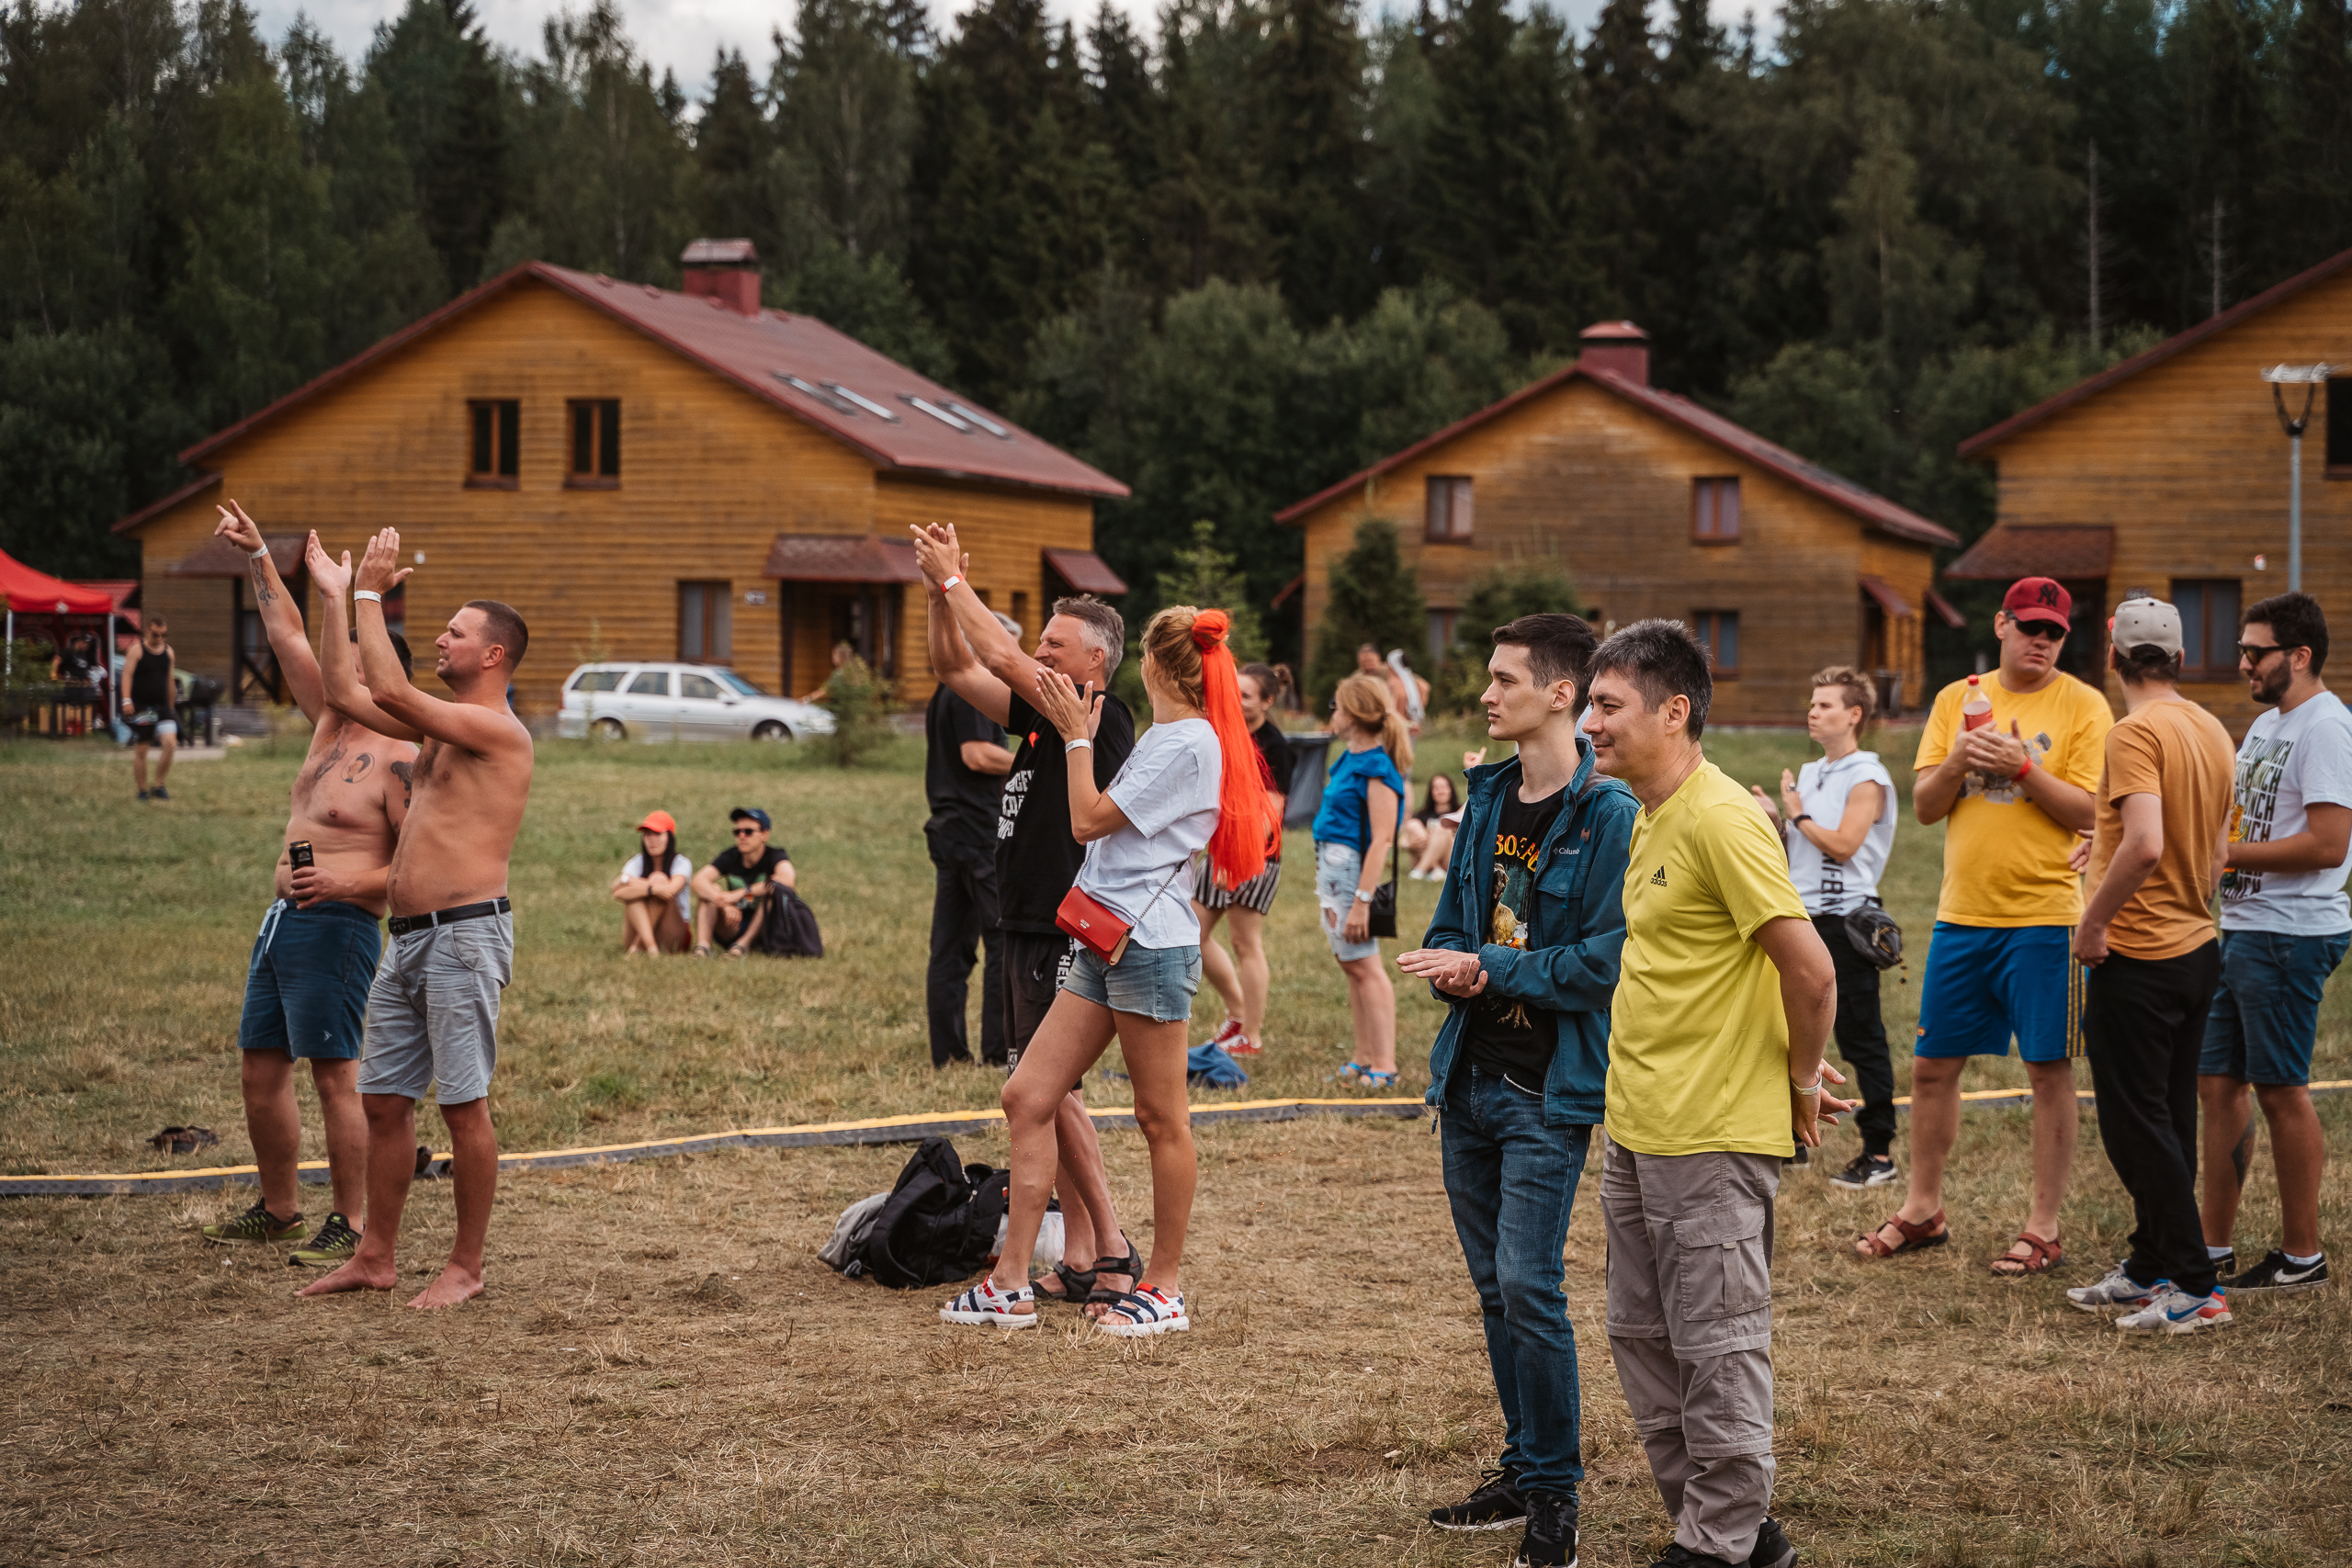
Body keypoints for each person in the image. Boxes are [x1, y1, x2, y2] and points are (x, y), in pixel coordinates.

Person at [1582, 619, 1844, 1568]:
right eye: (1592, 704)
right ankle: (1735, 1527)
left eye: (1608, 705)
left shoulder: (1723, 816)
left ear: (1674, 709)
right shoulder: (1653, 815)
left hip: (1709, 1139)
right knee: (1641, 1337)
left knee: (1716, 1345)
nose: (1591, 723)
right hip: (1640, 1128)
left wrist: (1801, 1078)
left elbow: (1810, 972)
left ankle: (1718, 1542)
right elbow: (1723, 971)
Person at [940, 604, 1269, 1335]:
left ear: (1151, 665)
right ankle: (1010, 1285)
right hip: (1102, 940)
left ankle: (1164, 1285)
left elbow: (1086, 818)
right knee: (1028, 1093)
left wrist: (1077, 738)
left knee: (1160, 1117)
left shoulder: (1190, 746)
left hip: (1149, 947)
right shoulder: (1167, 737)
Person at [1395, 615, 1638, 1568]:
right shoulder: (1489, 797)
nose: (1487, 695)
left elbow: (1605, 963)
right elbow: (1456, 919)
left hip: (1547, 1091)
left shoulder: (1609, 814)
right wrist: (1456, 967)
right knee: (1496, 1292)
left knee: (1532, 1289)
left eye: (1504, 680)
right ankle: (1522, 1466)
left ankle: (1555, 1499)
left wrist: (1489, 967)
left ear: (1560, 694)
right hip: (1468, 1081)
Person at [299, 525, 534, 1310]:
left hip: (465, 935)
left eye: (457, 632)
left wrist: (373, 591)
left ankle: (466, 1266)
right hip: (407, 941)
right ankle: (376, 1256)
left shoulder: (497, 731)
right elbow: (346, 691)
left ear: (493, 655)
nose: (440, 635)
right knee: (385, 1101)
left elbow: (392, 692)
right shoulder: (441, 725)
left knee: (463, 1105)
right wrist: (336, 598)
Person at [911, 520, 1140, 1312]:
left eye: (1055, 643)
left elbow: (1002, 655)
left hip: (1058, 925)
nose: (1040, 652)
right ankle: (1085, 1253)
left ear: (1095, 660)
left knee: (1044, 1092)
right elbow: (953, 665)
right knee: (1051, 1093)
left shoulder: (1100, 714)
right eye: (1040, 642)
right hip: (1024, 922)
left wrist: (953, 581)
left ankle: (1107, 1247)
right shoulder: (1045, 717)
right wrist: (937, 598)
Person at [1860, 577, 2111, 1276]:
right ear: (2001, 624)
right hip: (1962, 914)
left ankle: (2043, 1225)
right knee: (1934, 1067)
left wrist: (2023, 766)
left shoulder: (2085, 705)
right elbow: (1928, 806)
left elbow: (2092, 812)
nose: (2041, 639)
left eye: (2054, 632)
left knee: (2047, 1069)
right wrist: (1962, 760)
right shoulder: (1955, 698)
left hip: (2046, 917)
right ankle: (1921, 1208)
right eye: (2029, 625)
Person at [198, 503, 418, 1268]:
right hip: (282, 921)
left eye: (354, 657)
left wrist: (344, 879)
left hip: (341, 926)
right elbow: (287, 633)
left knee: (336, 1077)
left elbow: (417, 874)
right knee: (261, 1068)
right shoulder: (328, 723)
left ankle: (349, 1221)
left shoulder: (401, 756)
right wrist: (262, 554)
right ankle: (280, 1206)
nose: (337, 665)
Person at [2062, 598, 2237, 1333]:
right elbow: (2215, 850)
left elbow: (2145, 844)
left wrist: (2095, 921)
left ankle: (2195, 1285)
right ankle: (2151, 1264)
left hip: (2139, 954)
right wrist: (2100, 851)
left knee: (2136, 1127)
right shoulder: (2211, 727)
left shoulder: (2133, 731)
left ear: (2112, 657)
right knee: (2167, 1118)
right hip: (2198, 947)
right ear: (2181, 657)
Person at [2199, 590, 2347, 1296]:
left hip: (2290, 935)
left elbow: (2327, 843)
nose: (2243, 662)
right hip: (2246, 930)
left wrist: (2226, 856)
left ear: (2300, 655)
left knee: (2281, 1090)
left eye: (2255, 651)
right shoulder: (2264, 726)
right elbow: (2226, 818)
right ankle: (2212, 1245)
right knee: (2218, 1082)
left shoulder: (2326, 729)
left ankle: (2302, 1256)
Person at [1747, 666, 1901, 1190]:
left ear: (1854, 714)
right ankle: (1792, 1140)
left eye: (1826, 705)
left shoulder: (1868, 775)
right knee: (1789, 1031)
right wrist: (1775, 818)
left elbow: (1845, 844)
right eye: (1812, 704)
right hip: (1800, 914)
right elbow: (1804, 845)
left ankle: (1879, 1152)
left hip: (1848, 920)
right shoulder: (1811, 773)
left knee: (1861, 1038)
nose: (1814, 712)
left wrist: (1796, 812)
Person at [924, 618, 1018, 1066]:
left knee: (950, 947)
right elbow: (977, 754)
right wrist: (1034, 756)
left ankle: (948, 1054)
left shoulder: (947, 690)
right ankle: (999, 1052)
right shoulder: (970, 691)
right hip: (977, 829)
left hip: (950, 828)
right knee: (1001, 939)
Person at [1193, 660, 1296, 1057]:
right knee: (1191, 932)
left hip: (1256, 855)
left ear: (1267, 701)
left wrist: (1237, 862)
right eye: (1233, 692)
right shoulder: (1225, 731)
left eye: (1247, 696)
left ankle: (1250, 1037)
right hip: (1220, 850)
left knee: (1244, 942)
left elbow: (1271, 814)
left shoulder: (1276, 748)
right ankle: (1236, 1012)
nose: (1236, 701)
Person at [1314, 672, 1411, 1088]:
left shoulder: (1376, 767)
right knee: (1350, 964)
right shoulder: (1349, 759)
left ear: (1353, 714)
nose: (1331, 715)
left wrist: (1362, 900)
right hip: (1333, 871)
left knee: (1366, 965)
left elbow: (1382, 839)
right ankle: (1363, 1054)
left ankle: (1385, 1063)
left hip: (1353, 876)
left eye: (1336, 706)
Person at [691, 808, 792, 957]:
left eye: (748, 832)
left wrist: (741, 893)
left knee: (773, 892)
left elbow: (786, 880)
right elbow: (698, 881)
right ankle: (703, 947)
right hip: (733, 924)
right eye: (737, 832)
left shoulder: (774, 856)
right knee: (710, 889)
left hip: (764, 928)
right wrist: (723, 903)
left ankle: (743, 945)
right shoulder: (731, 856)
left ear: (765, 834)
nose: (742, 836)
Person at [614, 809, 692, 955]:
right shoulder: (638, 861)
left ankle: (639, 947)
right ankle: (650, 947)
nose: (652, 840)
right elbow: (617, 891)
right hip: (640, 932)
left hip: (672, 933)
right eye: (648, 834)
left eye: (658, 834)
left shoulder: (681, 863)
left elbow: (670, 890)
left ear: (670, 837)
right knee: (634, 896)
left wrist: (634, 883)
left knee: (658, 878)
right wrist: (651, 889)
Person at [120, 614, 177, 800]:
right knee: (142, 749)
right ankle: (142, 790)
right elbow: (127, 675)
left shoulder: (169, 652)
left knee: (170, 744)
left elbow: (169, 680)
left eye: (163, 635)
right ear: (147, 630)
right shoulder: (136, 651)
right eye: (155, 634)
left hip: (162, 708)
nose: (159, 638)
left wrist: (171, 706)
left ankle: (159, 785)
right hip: (143, 708)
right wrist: (126, 700)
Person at [1404, 773, 1462, 879]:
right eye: (1436, 788)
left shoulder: (1459, 813)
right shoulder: (1422, 815)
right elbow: (1401, 841)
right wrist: (1410, 845)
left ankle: (1420, 870)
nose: (1441, 791)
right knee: (1413, 824)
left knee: (1443, 826)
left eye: (1444, 787)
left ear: (1451, 790)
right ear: (1431, 792)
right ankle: (1435, 869)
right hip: (1423, 851)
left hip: (1450, 857)